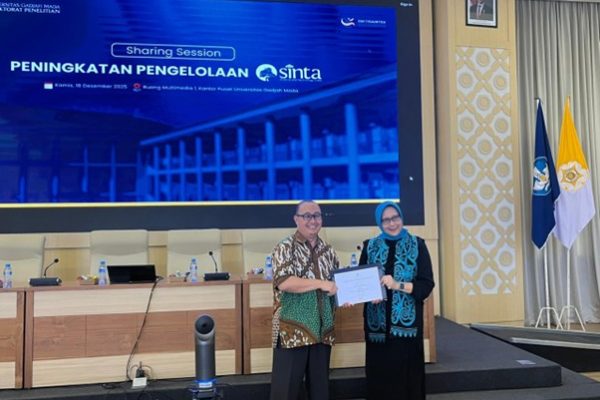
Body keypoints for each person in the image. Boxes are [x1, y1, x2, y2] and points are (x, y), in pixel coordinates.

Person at [359, 201, 435, 400]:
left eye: (395, 218)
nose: (392, 223)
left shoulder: (417, 245)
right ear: (379, 222)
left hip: (406, 332)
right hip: (377, 331)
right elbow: (362, 283)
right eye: (386, 220)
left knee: (406, 383)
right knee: (380, 381)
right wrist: (370, 295)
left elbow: (426, 285)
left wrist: (397, 285)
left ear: (401, 217)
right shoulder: (369, 246)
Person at [270, 200, 340, 400]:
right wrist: (321, 283)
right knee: (285, 391)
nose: (313, 220)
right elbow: (284, 282)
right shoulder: (285, 247)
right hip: (292, 331)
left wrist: (343, 295)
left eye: (317, 215)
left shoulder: (329, 251)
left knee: (319, 392)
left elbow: (334, 286)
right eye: (307, 216)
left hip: (322, 331)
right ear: (296, 219)